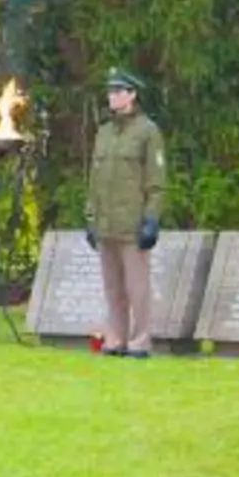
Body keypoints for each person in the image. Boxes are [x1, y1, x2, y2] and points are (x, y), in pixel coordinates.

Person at [85, 67, 165, 358]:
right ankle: (115, 338)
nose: (112, 96)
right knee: (112, 288)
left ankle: (140, 340)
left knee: (137, 287)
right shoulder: (104, 133)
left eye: (118, 91)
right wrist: (91, 218)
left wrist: (151, 219)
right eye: (110, 91)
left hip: (132, 223)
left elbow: (156, 182)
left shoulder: (147, 131)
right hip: (106, 222)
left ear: (132, 94)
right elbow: (94, 180)